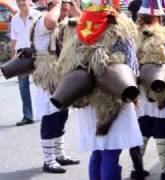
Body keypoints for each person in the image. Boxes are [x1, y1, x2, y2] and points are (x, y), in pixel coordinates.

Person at [55, 0, 144, 179]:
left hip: (84, 95)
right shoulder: (120, 23)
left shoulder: (75, 24)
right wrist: (134, 95)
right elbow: (132, 65)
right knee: (110, 154)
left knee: (97, 153)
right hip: (114, 95)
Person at [131, 0, 165, 178]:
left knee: (143, 128)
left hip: (141, 89)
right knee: (162, 128)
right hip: (162, 89)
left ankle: (137, 171)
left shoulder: (133, 34)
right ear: (158, 16)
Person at [29, 0, 81, 173]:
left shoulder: (64, 24)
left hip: (61, 74)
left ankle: (60, 155)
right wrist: (58, 4)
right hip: (48, 75)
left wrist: (72, 6)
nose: (65, 14)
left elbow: (83, 21)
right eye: (62, 10)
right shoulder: (42, 20)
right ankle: (48, 160)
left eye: (67, 11)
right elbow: (51, 21)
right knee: (50, 116)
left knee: (61, 116)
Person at [10, 0, 40, 126]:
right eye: (18, 1)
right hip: (21, 56)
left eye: (23, 0)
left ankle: (50, 111)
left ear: (28, 1)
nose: (21, 3)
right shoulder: (15, 19)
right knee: (23, 87)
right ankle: (28, 116)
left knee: (43, 85)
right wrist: (13, 57)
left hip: (37, 54)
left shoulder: (38, 15)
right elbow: (14, 38)